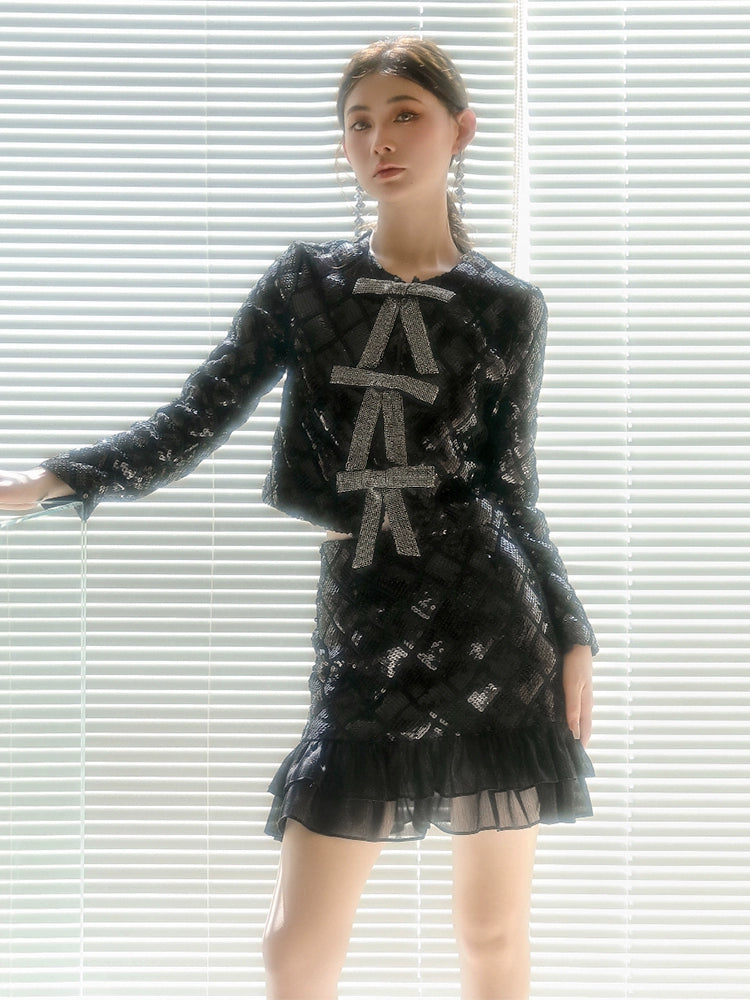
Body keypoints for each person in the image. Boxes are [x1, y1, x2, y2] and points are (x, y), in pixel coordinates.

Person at [0, 36, 597, 1000]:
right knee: (295, 952)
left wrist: (572, 632)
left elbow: (511, 488)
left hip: (492, 632)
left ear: (461, 131)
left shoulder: (508, 308)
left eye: (404, 114)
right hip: (365, 619)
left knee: (491, 937)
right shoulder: (305, 284)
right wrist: (50, 479)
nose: (379, 140)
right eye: (358, 123)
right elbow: (194, 417)